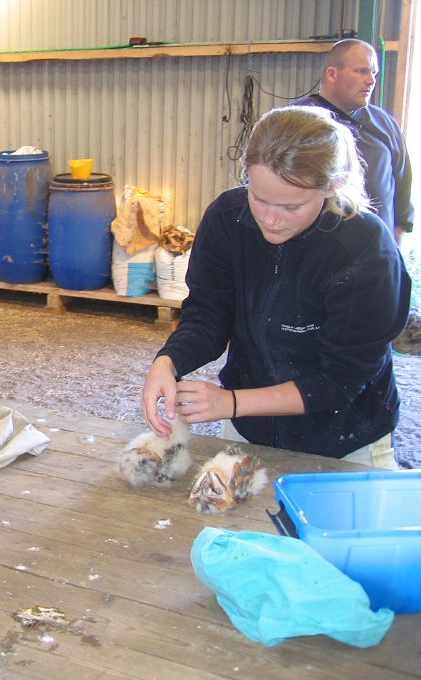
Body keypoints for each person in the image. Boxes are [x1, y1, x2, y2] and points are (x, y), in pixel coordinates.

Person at [142, 106, 411, 468]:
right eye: (259, 198)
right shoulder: (227, 218)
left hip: (345, 437)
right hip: (250, 426)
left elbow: (340, 381)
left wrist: (231, 402)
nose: (269, 219)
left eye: (290, 206)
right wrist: (168, 361)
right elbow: (208, 314)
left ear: (331, 186)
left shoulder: (366, 250)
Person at [293, 38, 414, 245]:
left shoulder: (384, 124)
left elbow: (403, 192)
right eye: (362, 71)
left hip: (376, 252)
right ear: (332, 74)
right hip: (317, 253)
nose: (371, 80)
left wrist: (394, 249)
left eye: (374, 73)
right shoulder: (295, 122)